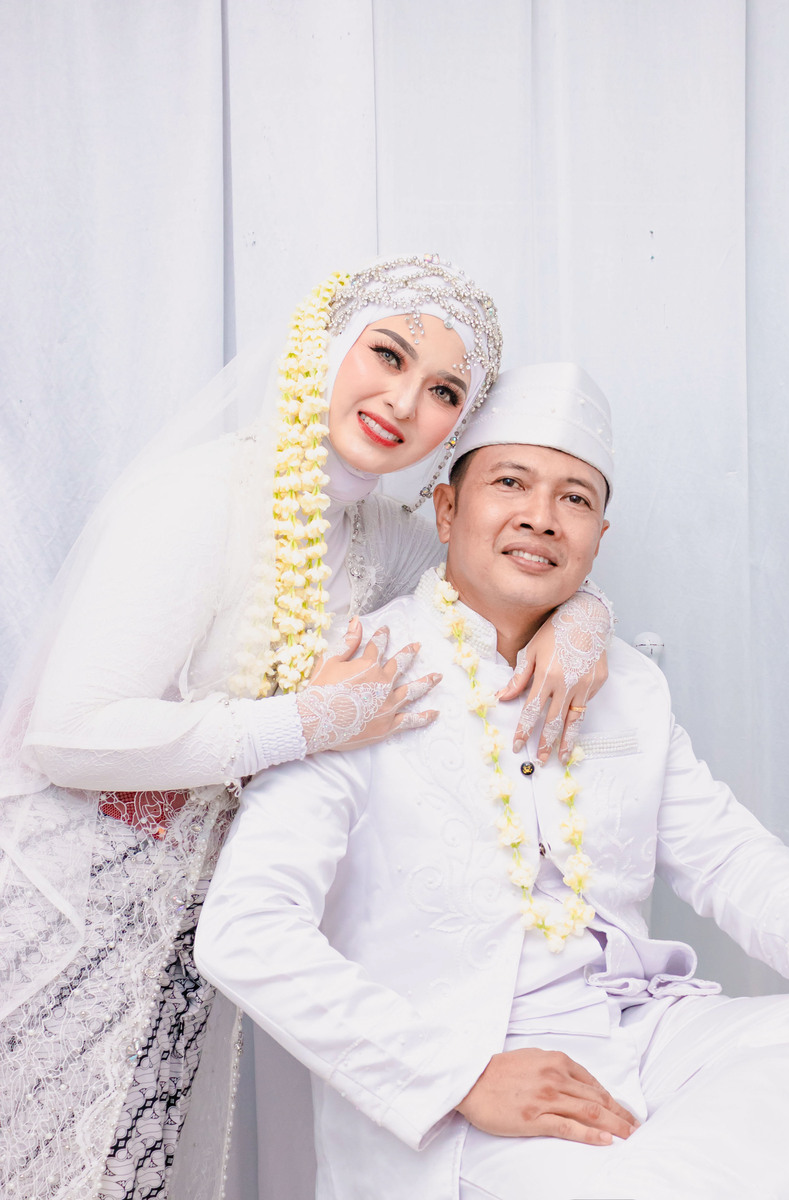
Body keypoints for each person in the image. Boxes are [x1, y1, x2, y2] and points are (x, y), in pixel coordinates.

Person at [0, 260, 612, 1200]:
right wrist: (304, 723)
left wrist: (584, 618)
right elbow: (67, 733)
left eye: (444, 391)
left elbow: (502, 566)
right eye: (388, 355)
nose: (403, 401)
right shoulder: (208, 493)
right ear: (324, 346)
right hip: (65, 907)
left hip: (186, 940)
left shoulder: (370, 533)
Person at [196, 361, 789, 1200]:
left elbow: (728, 858)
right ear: (446, 510)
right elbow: (245, 929)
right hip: (468, 1077)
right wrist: (460, 1077)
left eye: (574, 498)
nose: (540, 517)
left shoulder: (625, 682)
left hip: (652, 1031)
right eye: (510, 482)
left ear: (598, 536)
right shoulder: (364, 677)